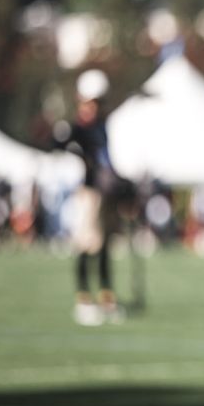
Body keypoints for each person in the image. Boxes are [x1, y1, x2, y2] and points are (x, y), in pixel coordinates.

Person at [55, 69, 122, 326]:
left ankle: (107, 299)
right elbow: (57, 148)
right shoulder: (75, 130)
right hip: (86, 194)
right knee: (86, 245)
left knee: (104, 247)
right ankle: (83, 300)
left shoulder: (102, 127)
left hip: (103, 194)